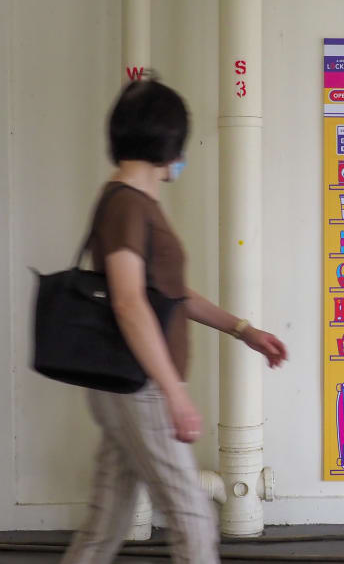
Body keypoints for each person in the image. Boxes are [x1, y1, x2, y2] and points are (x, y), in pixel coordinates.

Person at [62, 79, 287, 564]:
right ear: (167, 142)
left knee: (104, 526)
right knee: (194, 521)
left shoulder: (133, 202)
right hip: (140, 388)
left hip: (126, 386)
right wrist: (174, 393)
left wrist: (244, 331)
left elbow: (172, 295)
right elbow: (129, 303)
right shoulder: (127, 205)